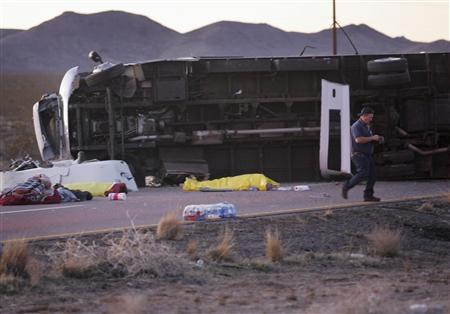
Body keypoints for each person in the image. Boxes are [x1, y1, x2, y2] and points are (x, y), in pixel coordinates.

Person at [342, 106, 384, 202]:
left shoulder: (366, 126)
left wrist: (378, 139)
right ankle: (347, 186)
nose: (371, 119)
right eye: (370, 117)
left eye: (372, 117)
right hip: (358, 154)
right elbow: (358, 139)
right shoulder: (356, 126)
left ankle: (368, 196)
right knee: (363, 173)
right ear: (364, 116)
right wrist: (373, 138)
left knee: (372, 175)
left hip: (366, 154)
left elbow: (367, 139)